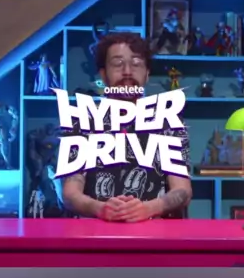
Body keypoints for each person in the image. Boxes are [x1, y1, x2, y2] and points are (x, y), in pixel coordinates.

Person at [62, 32, 192, 222]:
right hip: (96, 232)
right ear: (103, 74)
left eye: (136, 63)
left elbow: (183, 190)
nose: (127, 71)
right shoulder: (83, 122)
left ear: (147, 74)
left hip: (154, 233)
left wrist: (148, 208)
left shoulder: (168, 122)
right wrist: (100, 208)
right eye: (117, 63)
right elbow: (70, 193)